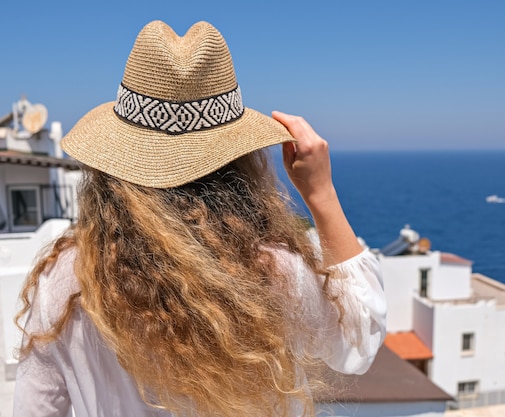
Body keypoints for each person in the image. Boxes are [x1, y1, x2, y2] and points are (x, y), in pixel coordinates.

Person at [13, 20, 386, 417]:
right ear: (240, 162)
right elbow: (358, 341)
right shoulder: (270, 273)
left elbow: (36, 409)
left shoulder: (66, 280)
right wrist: (321, 193)